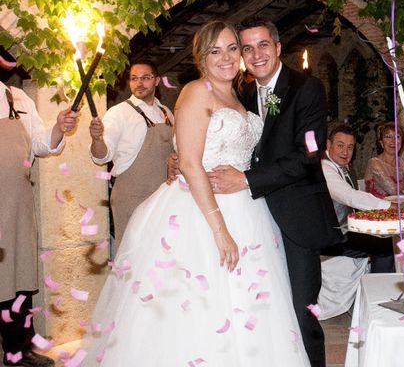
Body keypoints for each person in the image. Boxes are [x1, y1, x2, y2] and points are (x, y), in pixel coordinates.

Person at [81, 21, 309, 366]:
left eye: (233, 48)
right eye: (215, 50)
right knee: (199, 309)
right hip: (201, 215)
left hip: (248, 210)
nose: (227, 57)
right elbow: (189, 162)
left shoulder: (241, 94)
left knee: (252, 306)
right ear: (201, 57)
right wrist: (219, 230)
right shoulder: (196, 91)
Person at [210, 20, 341, 367]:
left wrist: (248, 180)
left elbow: (308, 153)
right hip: (250, 217)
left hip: (295, 216)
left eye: (263, 45)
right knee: (261, 310)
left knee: (301, 310)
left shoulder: (307, 88)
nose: (256, 54)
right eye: (247, 48)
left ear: (279, 47)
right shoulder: (241, 93)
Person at [1, 81, 77, 367]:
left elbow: (42, 144)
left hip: (18, 202)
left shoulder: (16, 98)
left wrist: (59, 127)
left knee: (19, 275)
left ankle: (19, 351)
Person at [89, 60, 174, 248]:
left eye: (145, 78)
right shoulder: (119, 113)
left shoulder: (166, 112)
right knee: (131, 255)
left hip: (164, 196)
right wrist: (97, 139)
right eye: (134, 79)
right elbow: (102, 156)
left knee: (161, 255)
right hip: (131, 196)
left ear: (157, 81)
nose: (139, 83)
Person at [321, 123, 396, 273]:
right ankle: (380, 288)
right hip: (332, 237)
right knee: (385, 246)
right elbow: (349, 196)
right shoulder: (325, 168)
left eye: (350, 147)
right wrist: (388, 207)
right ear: (329, 144)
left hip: (346, 229)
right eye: (340, 145)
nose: (345, 152)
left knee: (388, 234)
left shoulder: (343, 166)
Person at [364, 121, 404, 199]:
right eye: (388, 137)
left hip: (399, 208)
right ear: (381, 143)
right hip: (376, 209)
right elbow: (393, 190)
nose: (393, 141)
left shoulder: (403, 163)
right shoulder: (374, 163)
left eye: (397, 137)